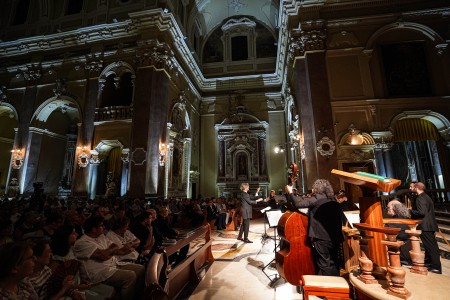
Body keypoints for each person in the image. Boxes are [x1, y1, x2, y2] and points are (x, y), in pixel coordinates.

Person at [73, 216, 145, 299]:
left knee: (141, 269)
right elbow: (103, 256)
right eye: (101, 225)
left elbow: (115, 247)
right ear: (94, 229)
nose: (104, 227)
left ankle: (138, 295)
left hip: (113, 264)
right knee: (130, 276)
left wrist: (109, 250)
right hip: (99, 272)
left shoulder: (101, 236)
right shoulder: (82, 242)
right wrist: (111, 251)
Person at [285, 179, 343, 276]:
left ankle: (329, 287)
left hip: (321, 238)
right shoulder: (333, 199)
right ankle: (338, 287)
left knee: (324, 264)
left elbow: (299, 204)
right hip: (336, 237)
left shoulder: (317, 198)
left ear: (317, 188)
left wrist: (290, 192)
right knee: (335, 262)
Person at [409, 182, 442, 274]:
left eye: (412, 187)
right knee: (429, 247)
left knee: (431, 247)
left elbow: (422, 212)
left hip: (425, 225)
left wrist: (410, 211)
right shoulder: (425, 196)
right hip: (428, 225)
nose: (410, 188)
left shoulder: (421, 198)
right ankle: (430, 263)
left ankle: (436, 267)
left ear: (416, 188)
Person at [385, 199, 412, 265]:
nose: (387, 209)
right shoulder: (404, 217)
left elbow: (386, 228)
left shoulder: (396, 220)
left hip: (402, 251)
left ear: (394, 210)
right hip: (407, 246)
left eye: (388, 208)